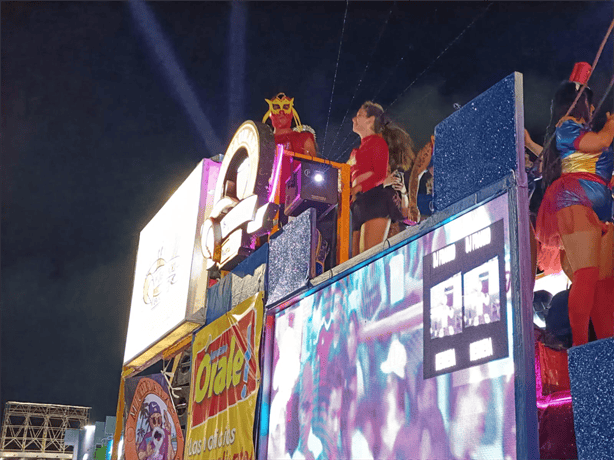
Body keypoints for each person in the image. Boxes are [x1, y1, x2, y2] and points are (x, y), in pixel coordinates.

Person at [536, 63, 614, 346]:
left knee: (605, 285)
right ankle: (581, 349)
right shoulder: (566, 127)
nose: (593, 111)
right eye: (590, 106)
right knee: (588, 275)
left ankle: (606, 346)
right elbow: (599, 141)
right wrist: (610, 127)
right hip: (576, 200)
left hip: (601, 208)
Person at [349, 101, 407, 256]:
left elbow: (380, 175)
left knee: (368, 255)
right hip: (357, 203)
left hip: (374, 200)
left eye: (359, 115)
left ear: (370, 120)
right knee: (354, 260)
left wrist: (358, 187)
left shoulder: (377, 142)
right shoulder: (356, 151)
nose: (353, 119)